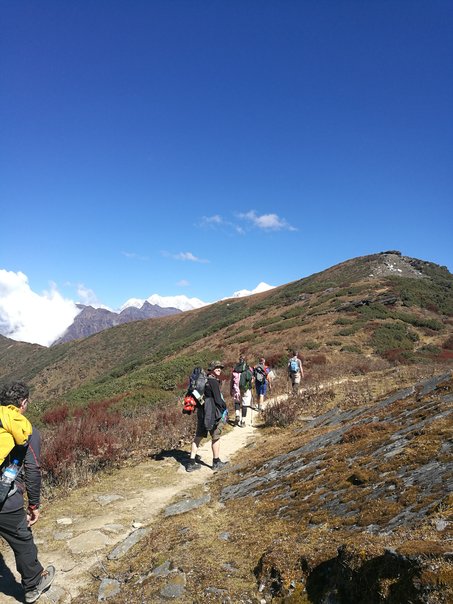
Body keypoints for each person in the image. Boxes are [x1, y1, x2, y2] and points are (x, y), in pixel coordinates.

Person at [0, 382, 55, 604]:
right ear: (23, 403)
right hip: (5, 501)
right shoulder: (26, 430)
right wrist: (34, 505)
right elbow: (32, 470)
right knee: (22, 540)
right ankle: (33, 584)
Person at [186, 361, 229, 472]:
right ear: (212, 369)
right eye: (217, 367)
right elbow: (218, 400)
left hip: (202, 412)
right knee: (215, 437)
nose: (219, 369)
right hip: (212, 413)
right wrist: (224, 409)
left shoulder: (203, 381)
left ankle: (191, 462)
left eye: (220, 368)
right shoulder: (213, 381)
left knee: (198, 436)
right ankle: (216, 462)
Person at [231, 356, 254, 427]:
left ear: (239, 360)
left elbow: (232, 380)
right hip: (245, 389)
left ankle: (237, 414)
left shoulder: (235, 368)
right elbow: (251, 379)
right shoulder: (248, 368)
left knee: (237, 401)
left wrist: (231, 389)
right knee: (245, 404)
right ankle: (243, 421)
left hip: (236, 388)